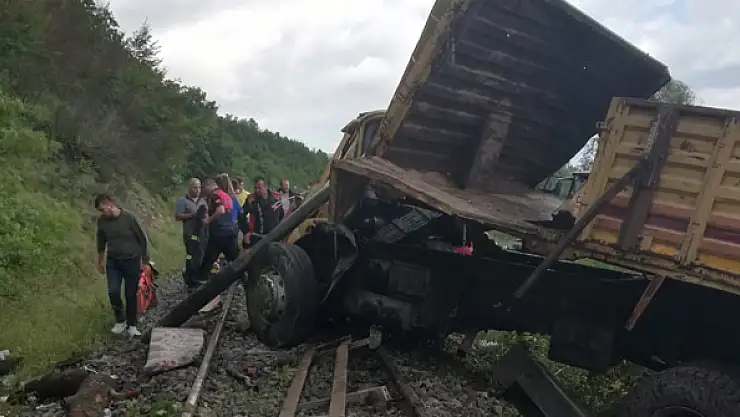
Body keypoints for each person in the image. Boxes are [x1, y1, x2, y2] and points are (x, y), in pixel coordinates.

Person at [95, 194, 150, 337]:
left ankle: (132, 324)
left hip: (131, 260)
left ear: (110, 204)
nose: (102, 213)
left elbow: (142, 239)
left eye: (102, 209)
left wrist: (145, 261)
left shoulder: (129, 217)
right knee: (113, 291)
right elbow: (101, 241)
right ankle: (120, 320)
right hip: (113, 262)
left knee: (130, 294)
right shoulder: (102, 221)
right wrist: (100, 260)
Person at [196, 178, 239, 284]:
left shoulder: (215, 195)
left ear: (208, 186)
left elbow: (221, 210)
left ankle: (200, 282)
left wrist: (209, 220)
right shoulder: (226, 195)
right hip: (230, 231)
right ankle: (244, 278)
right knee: (235, 259)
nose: (203, 191)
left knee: (208, 258)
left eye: (203, 189)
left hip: (218, 232)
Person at [174, 178, 207, 291]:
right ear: (189, 188)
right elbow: (178, 216)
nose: (197, 190)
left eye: (199, 187)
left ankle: (192, 276)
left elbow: (206, 215)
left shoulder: (203, 200)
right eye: (195, 187)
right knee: (191, 255)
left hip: (202, 233)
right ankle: (191, 280)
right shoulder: (182, 200)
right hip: (190, 233)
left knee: (200, 256)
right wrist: (193, 215)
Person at [241, 176, 283, 247]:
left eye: (259, 188)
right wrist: (246, 232)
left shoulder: (276, 198)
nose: (257, 190)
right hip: (258, 236)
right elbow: (241, 216)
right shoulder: (251, 199)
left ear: (266, 186)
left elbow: (281, 213)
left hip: (274, 236)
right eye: (255, 188)